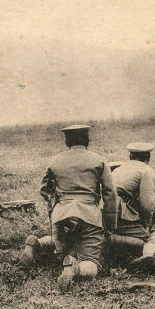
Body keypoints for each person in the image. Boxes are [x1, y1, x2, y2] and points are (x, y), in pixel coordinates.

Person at [38, 124, 118, 292]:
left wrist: (53, 211)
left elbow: (45, 190)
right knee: (91, 262)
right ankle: (77, 269)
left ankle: (37, 247)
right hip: (89, 214)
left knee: (63, 255)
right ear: (87, 139)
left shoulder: (55, 160)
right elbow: (110, 193)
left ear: (67, 141)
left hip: (61, 215)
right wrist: (110, 223)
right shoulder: (98, 160)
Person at [109, 142, 155, 245]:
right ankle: (106, 240)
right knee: (149, 240)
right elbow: (147, 205)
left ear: (130, 157)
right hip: (118, 209)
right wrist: (146, 225)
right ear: (148, 157)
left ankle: (106, 238)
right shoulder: (147, 171)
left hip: (104, 207)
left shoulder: (120, 168)